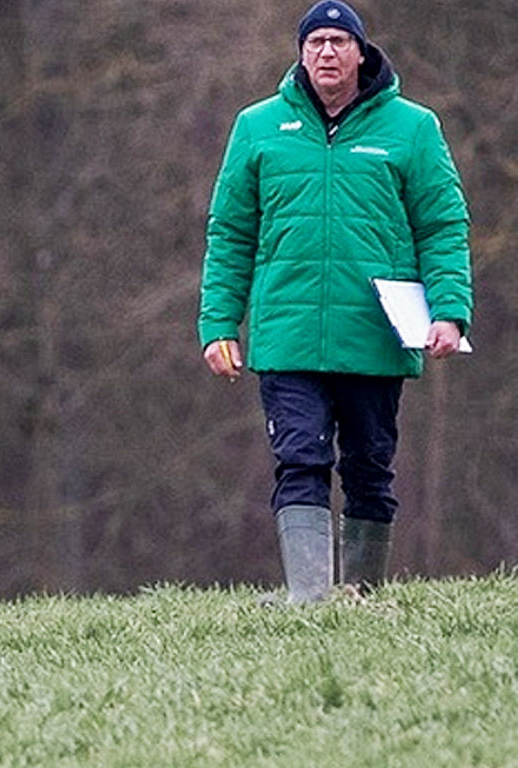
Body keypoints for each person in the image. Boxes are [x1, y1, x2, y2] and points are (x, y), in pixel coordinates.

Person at [199, 0, 470, 605]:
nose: (326, 52)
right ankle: (311, 599)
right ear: (300, 53)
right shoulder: (257, 127)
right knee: (300, 458)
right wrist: (218, 323)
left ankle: (361, 595)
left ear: (360, 52)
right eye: (315, 41)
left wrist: (450, 311)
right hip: (287, 334)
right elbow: (231, 232)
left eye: (339, 41)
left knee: (370, 466)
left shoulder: (413, 128)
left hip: (375, 334)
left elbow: (443, 225)